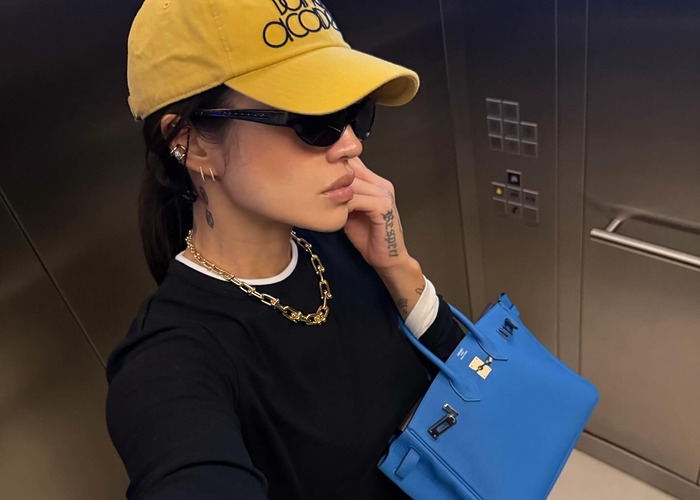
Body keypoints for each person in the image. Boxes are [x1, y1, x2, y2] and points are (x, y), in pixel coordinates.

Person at [106, 0, 464, 498]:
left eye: (353, 113)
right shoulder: (171, 361)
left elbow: (468, 383)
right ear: (191, 142)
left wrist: (399, 269)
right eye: (312, 119)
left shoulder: (343, 240)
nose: (350, 145)